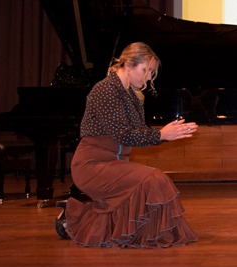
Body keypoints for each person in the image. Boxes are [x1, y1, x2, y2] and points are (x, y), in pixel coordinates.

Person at [56, 42, 199, 247]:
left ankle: (70, 217)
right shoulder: (105, 89)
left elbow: (139, 134)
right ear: (129, 64)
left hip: (115, 163)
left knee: (146, 185)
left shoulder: (132, 96)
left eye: (151, 72)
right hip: (92, 165)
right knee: (154, 179)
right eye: (146, 70)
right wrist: (162, 134)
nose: (149, 77)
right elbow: (123, 135)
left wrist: (168, 135)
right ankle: (73, 215)